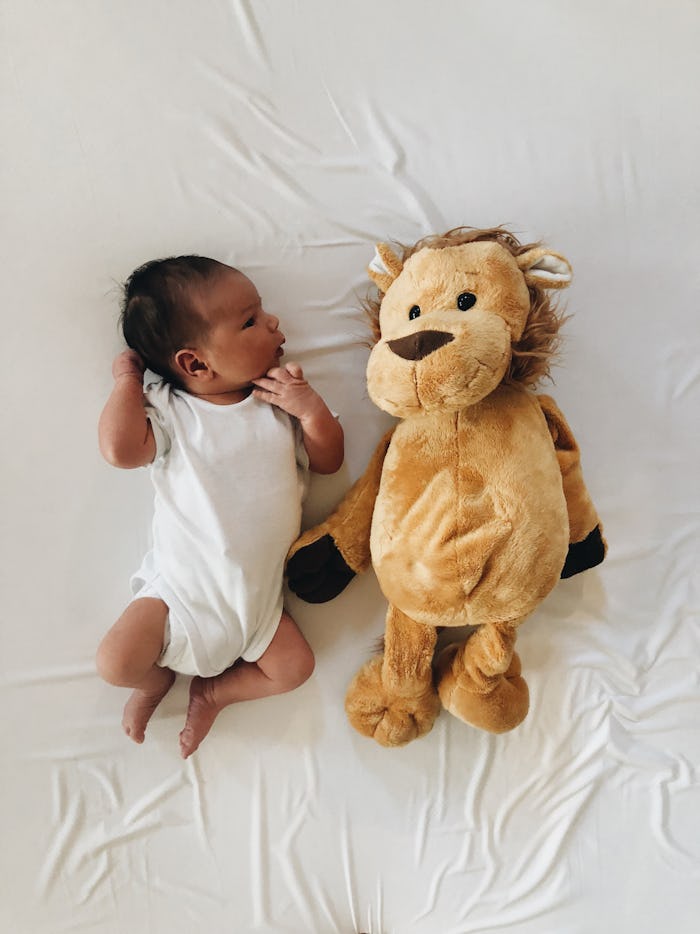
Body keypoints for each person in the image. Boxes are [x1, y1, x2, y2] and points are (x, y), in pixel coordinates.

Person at [96, 255, 344, 758]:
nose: (274, 322)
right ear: (194, 363)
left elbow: (329, 462)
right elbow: (121, 452)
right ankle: (154, 683)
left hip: (257, 608)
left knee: (294, 669)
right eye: (250, 320)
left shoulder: (279, 403)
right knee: (116, 663)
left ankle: (214, 693)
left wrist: (311, 410)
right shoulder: (172, 411)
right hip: (180, 595)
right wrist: (127, 381)